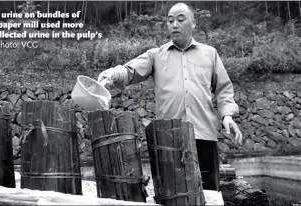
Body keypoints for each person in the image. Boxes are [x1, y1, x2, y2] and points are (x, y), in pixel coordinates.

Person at [98, 3, 243, 192]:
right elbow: (130, 70)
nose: (174, 24)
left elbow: (224, 89)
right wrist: (112, 74)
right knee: (170, 194)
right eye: (170, 20)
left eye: (181, 19)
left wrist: (227, 116)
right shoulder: (156, 55)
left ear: (194, 23)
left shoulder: (210, 54)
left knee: (208, 193)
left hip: (204, 136)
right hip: (168, 140)